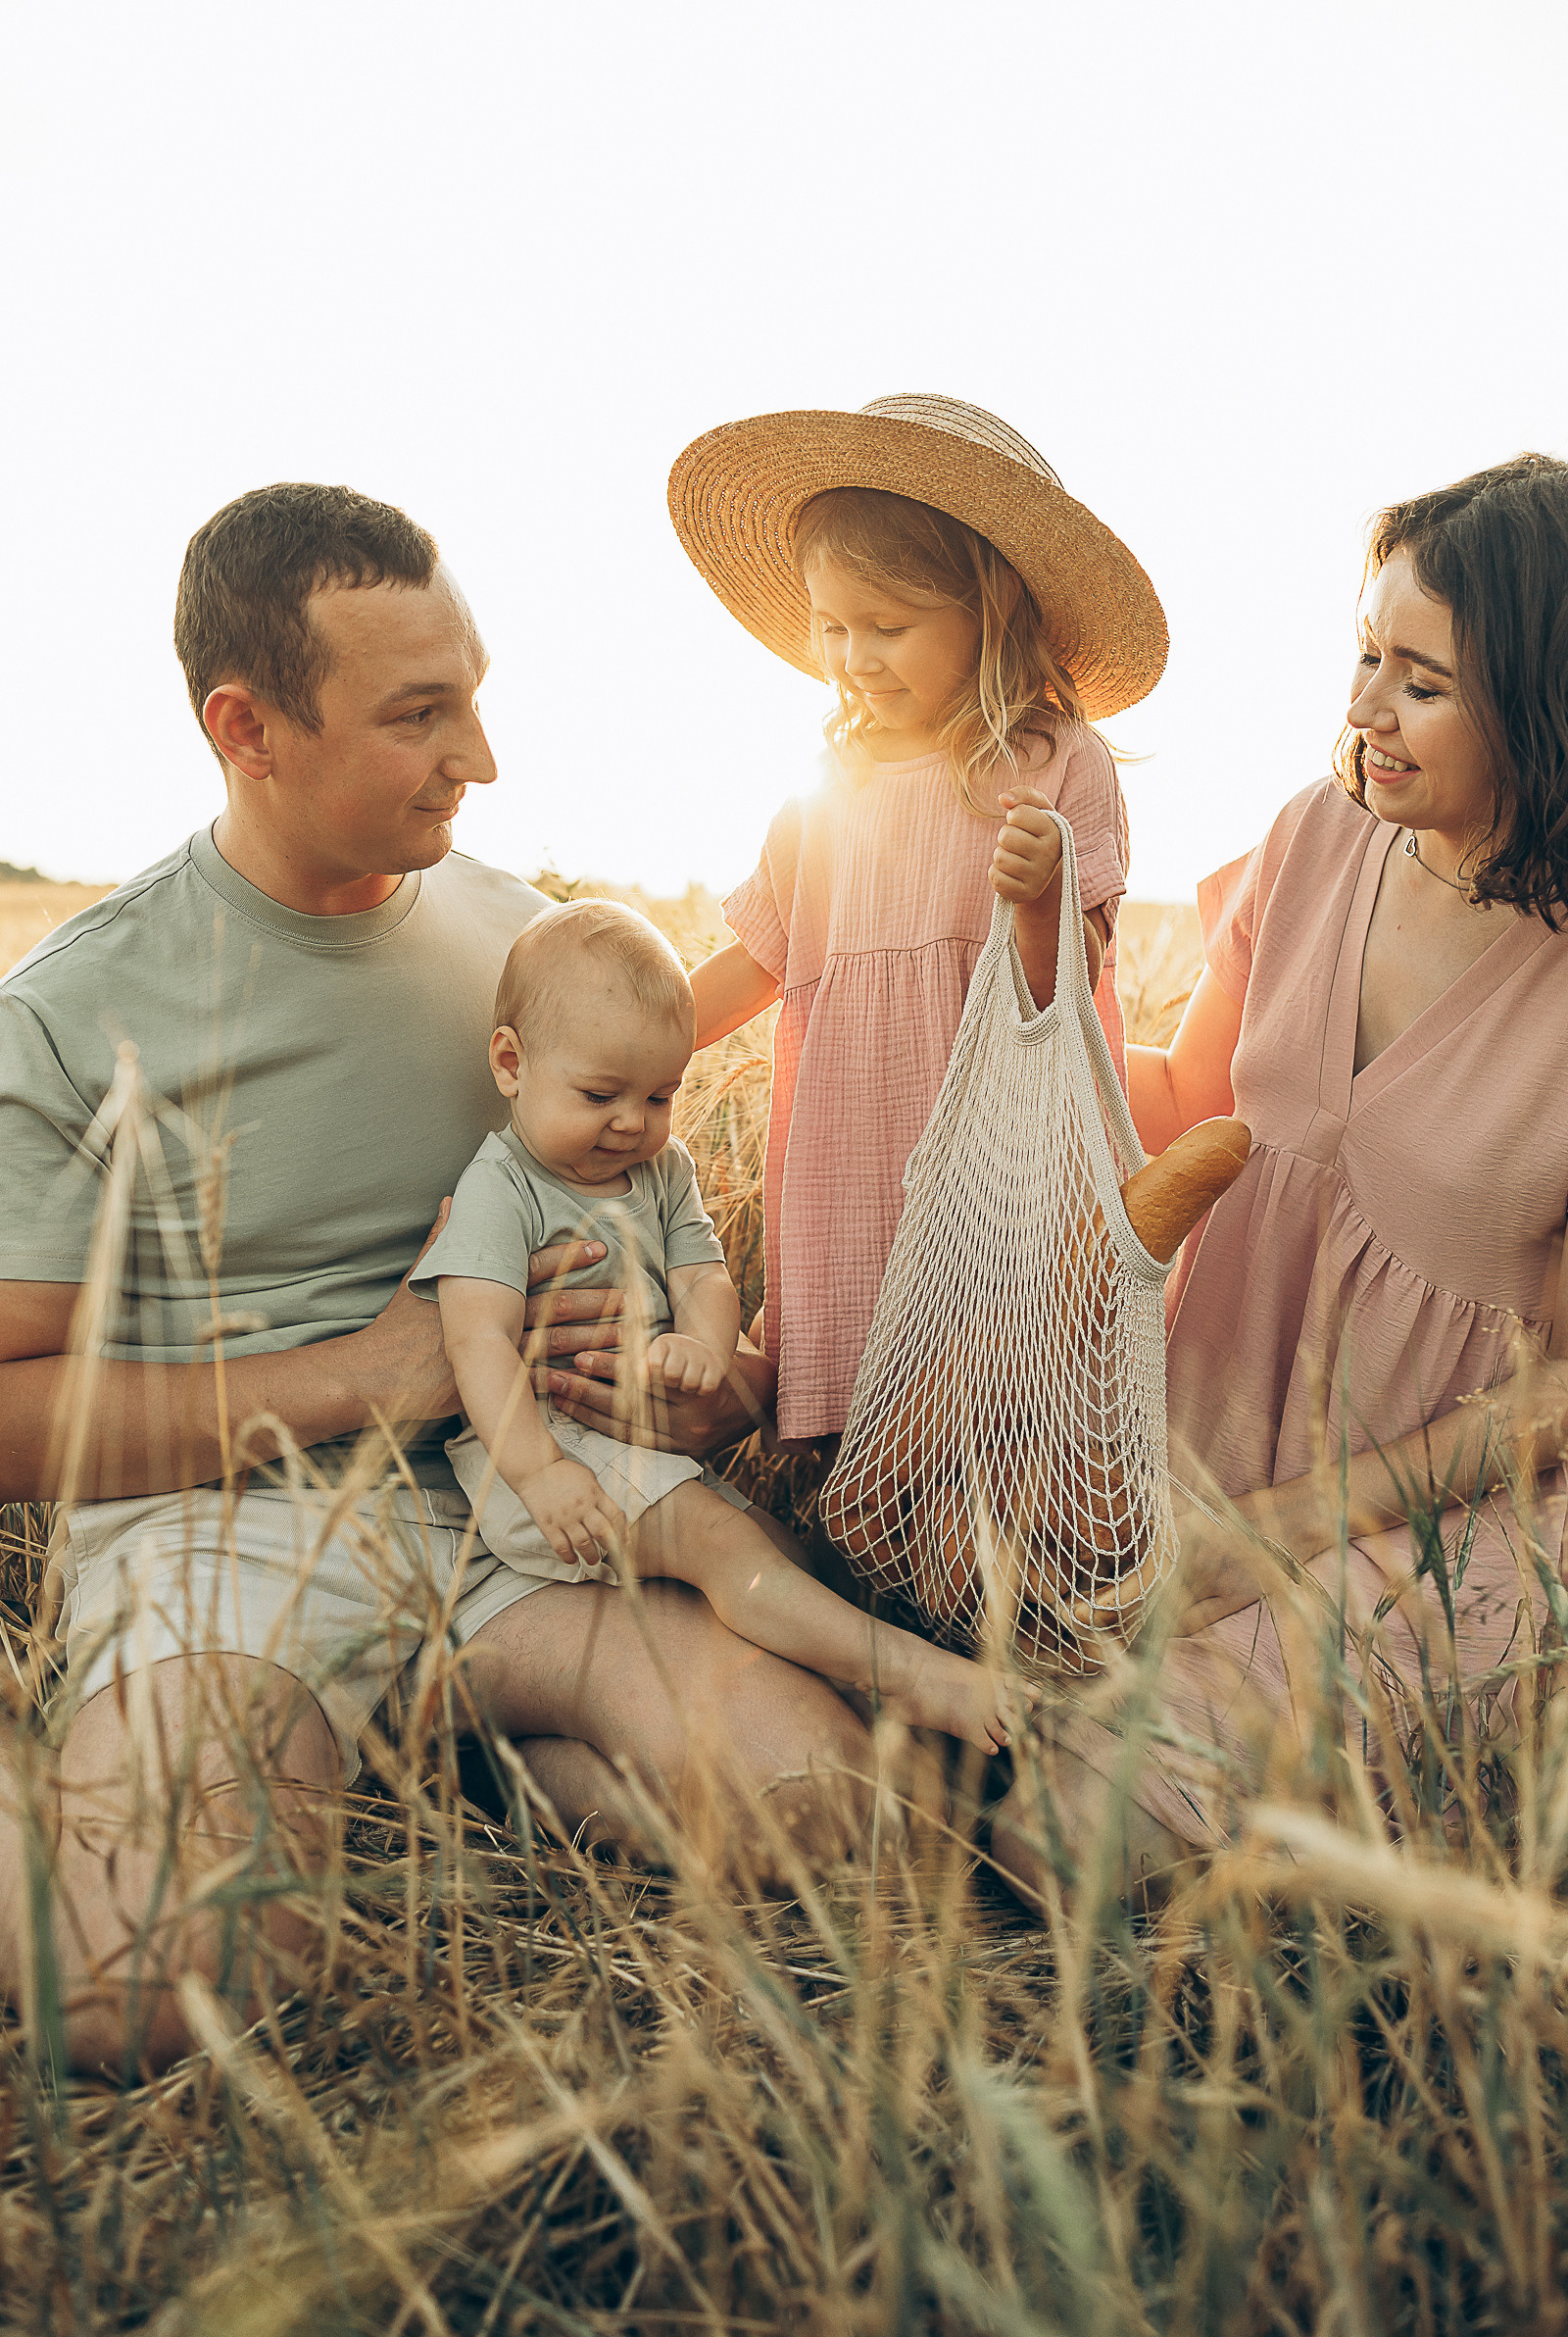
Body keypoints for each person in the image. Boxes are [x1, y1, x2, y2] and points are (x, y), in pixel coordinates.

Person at [0, 483, 870, 2073]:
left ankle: (440, 1765)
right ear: (246, 728)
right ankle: (232, 1771)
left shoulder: (539, 957)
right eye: (421, 716)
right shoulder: (72, 1011)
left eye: (473, 696)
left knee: (835, 1812)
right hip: (232, 1556)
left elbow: (670, 1263)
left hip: (530, 1524)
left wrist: (696, 1395)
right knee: (154, 1999)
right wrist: (364, 1375)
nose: (481, 758)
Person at [992, 453, 1568, 1897]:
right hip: (1214, 1443)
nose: (1364, 709)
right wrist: (1028, 983)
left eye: (1422, 680)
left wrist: (1290, 1535)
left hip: (1458, 1511)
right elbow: (1192, 1104)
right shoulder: (1316, 840)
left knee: (1064, 1828)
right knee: (957, 1694)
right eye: (1365, 653)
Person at [616, 394, 1167, 1450]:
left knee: (997, 1406)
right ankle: (854, 1546)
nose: (852, 656)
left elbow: (1072, 983)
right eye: (832, 626)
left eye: (888, 626)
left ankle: (1002, 1580)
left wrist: (1044, 894)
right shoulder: (822, 787)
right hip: (845, 1140)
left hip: (995, 1151)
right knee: (854, 1400)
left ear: (990, 611)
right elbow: (758, 960)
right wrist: (623, 1044)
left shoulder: (1057, 764)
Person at [419, 895, 1013, 1752]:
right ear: (511, 1064)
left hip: (641, 1458)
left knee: (785, 1552)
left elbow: (702, 1272)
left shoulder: (660, 1173)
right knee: (731, 1554)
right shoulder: (500, 1188)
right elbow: (474, 1340)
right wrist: (542, 1473)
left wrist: (703, 1344)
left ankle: (875, 1724)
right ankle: (912, 1677)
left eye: (661, 1095)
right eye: (599, 1093)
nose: (632, 1122)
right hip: (546, 1471)